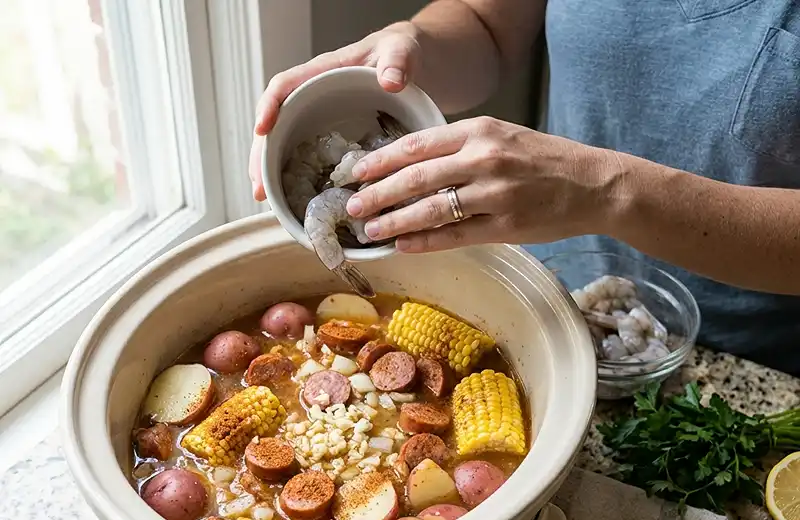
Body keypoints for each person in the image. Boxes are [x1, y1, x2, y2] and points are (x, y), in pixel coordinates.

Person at [249, 1, 800, 375]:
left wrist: (609, 191)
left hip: (743, 358)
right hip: (549, 289)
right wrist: (410, 45)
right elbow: (486, 23)